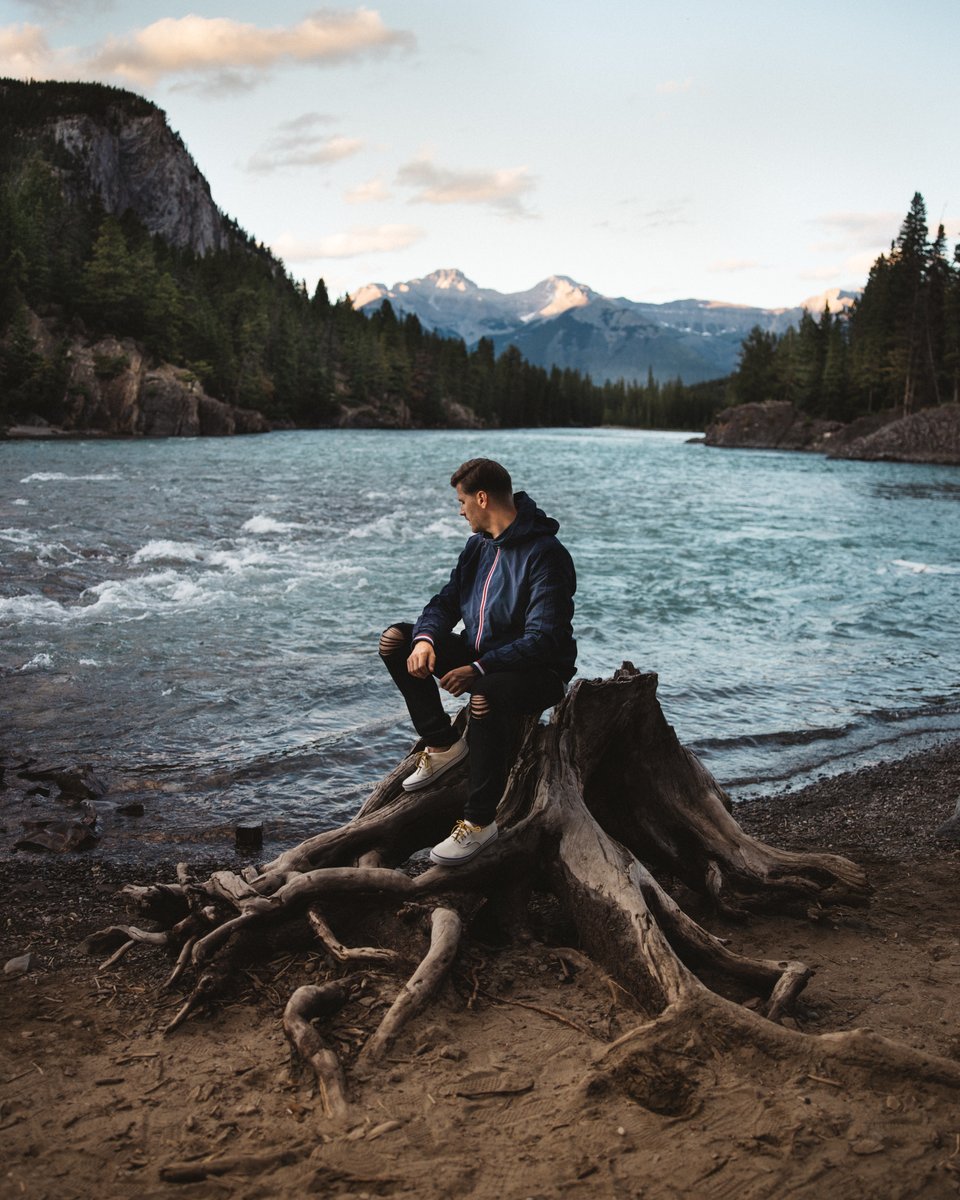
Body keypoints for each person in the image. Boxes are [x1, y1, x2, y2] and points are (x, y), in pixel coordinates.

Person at [379, 458, 576, 867]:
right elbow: (446, 601)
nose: (460, 510)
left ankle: (480, 823)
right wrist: (426, 639)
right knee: (396, 640)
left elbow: (542, 640)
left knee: (484, 695)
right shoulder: (478, 547)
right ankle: (443, 744)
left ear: (482, 497)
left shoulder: (546, 555)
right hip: (483, 657)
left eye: (462, 500)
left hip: (537, 673)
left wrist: (479, 669)